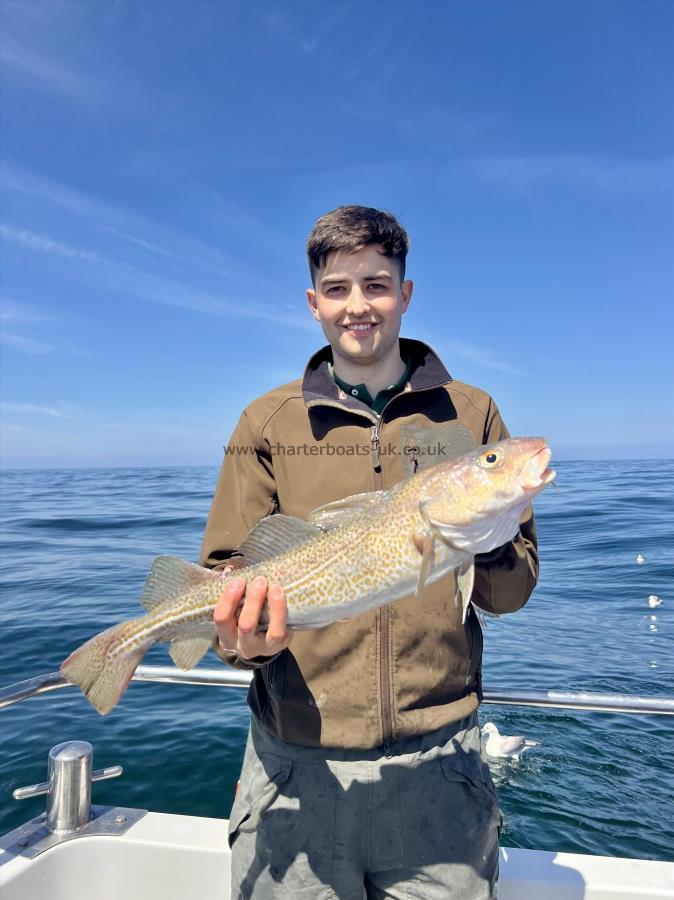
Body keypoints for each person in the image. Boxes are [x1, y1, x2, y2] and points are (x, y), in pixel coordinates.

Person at [200, 205, 539, 900]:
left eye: (377, 284)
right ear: (314, 303)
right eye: (339, 288)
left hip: (439, 767)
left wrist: (491, 538)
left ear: (405, 294)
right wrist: (248, 637)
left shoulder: (469, 412)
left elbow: (511, 594)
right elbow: (228, 583)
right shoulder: (267, 422)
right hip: (298, 768)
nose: (359, 306)